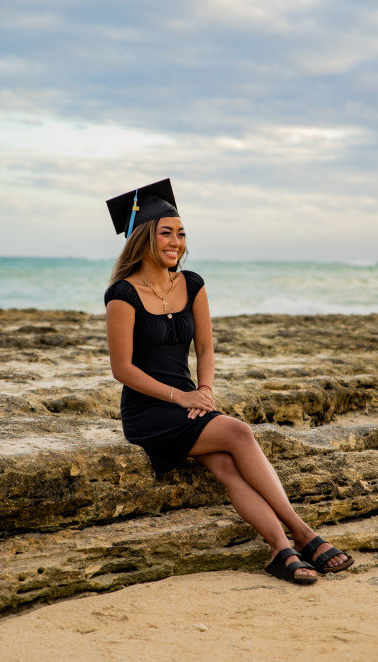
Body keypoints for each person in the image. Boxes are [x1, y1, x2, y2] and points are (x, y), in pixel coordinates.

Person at [104, 179, 354, 585]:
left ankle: (280, 550)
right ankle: (304, 533)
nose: (176, 242)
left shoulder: (193, 283)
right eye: (166, 233)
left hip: (189, 404)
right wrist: (181, 397)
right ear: (143, 238)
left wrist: (204, 390)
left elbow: (205, 348)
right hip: (149, 411)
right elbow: (123, 370)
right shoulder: (122, 294)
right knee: (238, 432)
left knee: (228, 470)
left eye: (181, 233)